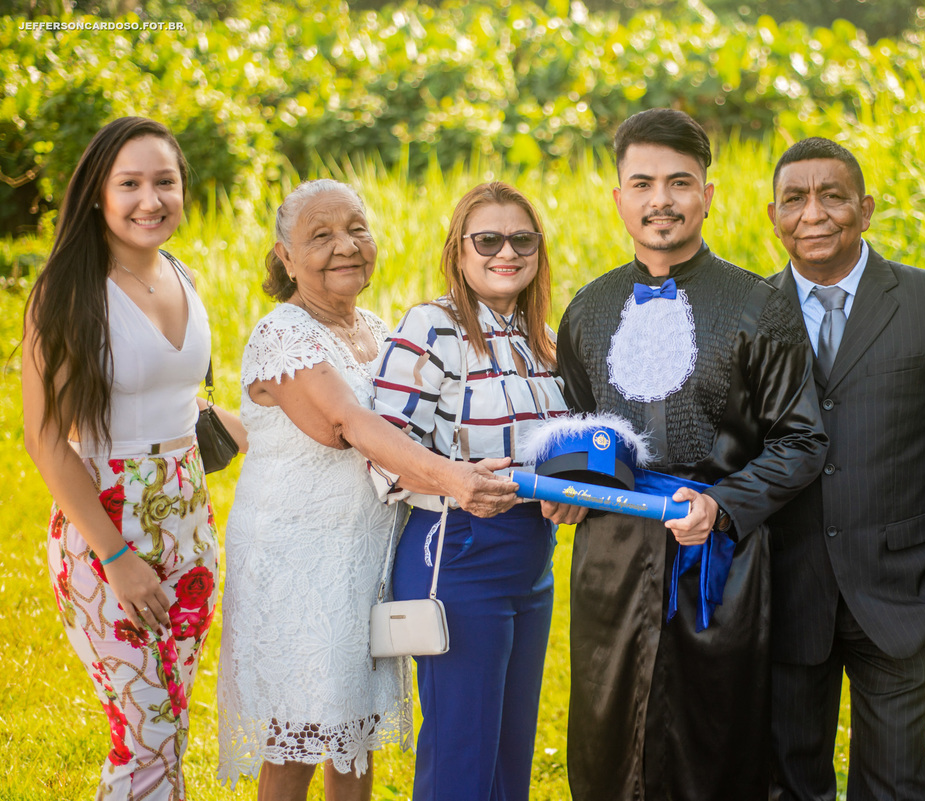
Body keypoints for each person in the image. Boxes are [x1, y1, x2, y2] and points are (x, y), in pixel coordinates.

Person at [543, 108, 828, 800]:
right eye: (641, 183)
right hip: (609, 558)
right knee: (606, 731)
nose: (660, 200)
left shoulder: (760, 305)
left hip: (720, 559)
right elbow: (580, 423)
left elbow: (802, 438)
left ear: (707, 194)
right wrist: (564, 483)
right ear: (618, 197)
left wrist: (722, 505)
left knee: (716, 734)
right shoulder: (588, 308)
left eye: (679, 182)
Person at [215, 179, 518, 800]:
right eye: (320, 236)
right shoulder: (283, 333)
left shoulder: (378, 330)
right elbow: (346, 425)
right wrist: (453, 479)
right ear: (285, 256)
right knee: (298, 736)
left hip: (366, 555)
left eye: (356, 228)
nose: (345, 246)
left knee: (356, 734)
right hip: (296, 558)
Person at [766, 137, 925, 800]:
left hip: (903, 587)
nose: (813, 213)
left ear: (864, 210)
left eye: (832, 196)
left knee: (895, 780)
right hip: (790, 589)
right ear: (774, 217)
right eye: (794, 199)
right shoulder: (753, 313)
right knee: (789, 773)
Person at [22, 116, 246, 799]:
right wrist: (118, 558)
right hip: (109, 535)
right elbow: (44, 440)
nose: (151, 199)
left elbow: (189, 407)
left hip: (190, 529)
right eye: (130, 184)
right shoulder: (67, 294)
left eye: (165, 182)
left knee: (168, 735)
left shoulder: (180, 273)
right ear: (97, 194)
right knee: (142, 740)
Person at [373, 181, 569, 800]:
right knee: (462, 748)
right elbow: (381, 442)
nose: (504, 251)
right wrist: (454, 478)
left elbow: (558, 443)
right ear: (459, 250)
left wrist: (567, 485)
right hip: (456, 549)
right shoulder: (434, 327)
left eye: (521, 239)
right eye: (487, 239)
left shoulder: (542, 343)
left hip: (531, 555)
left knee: (512, 749)